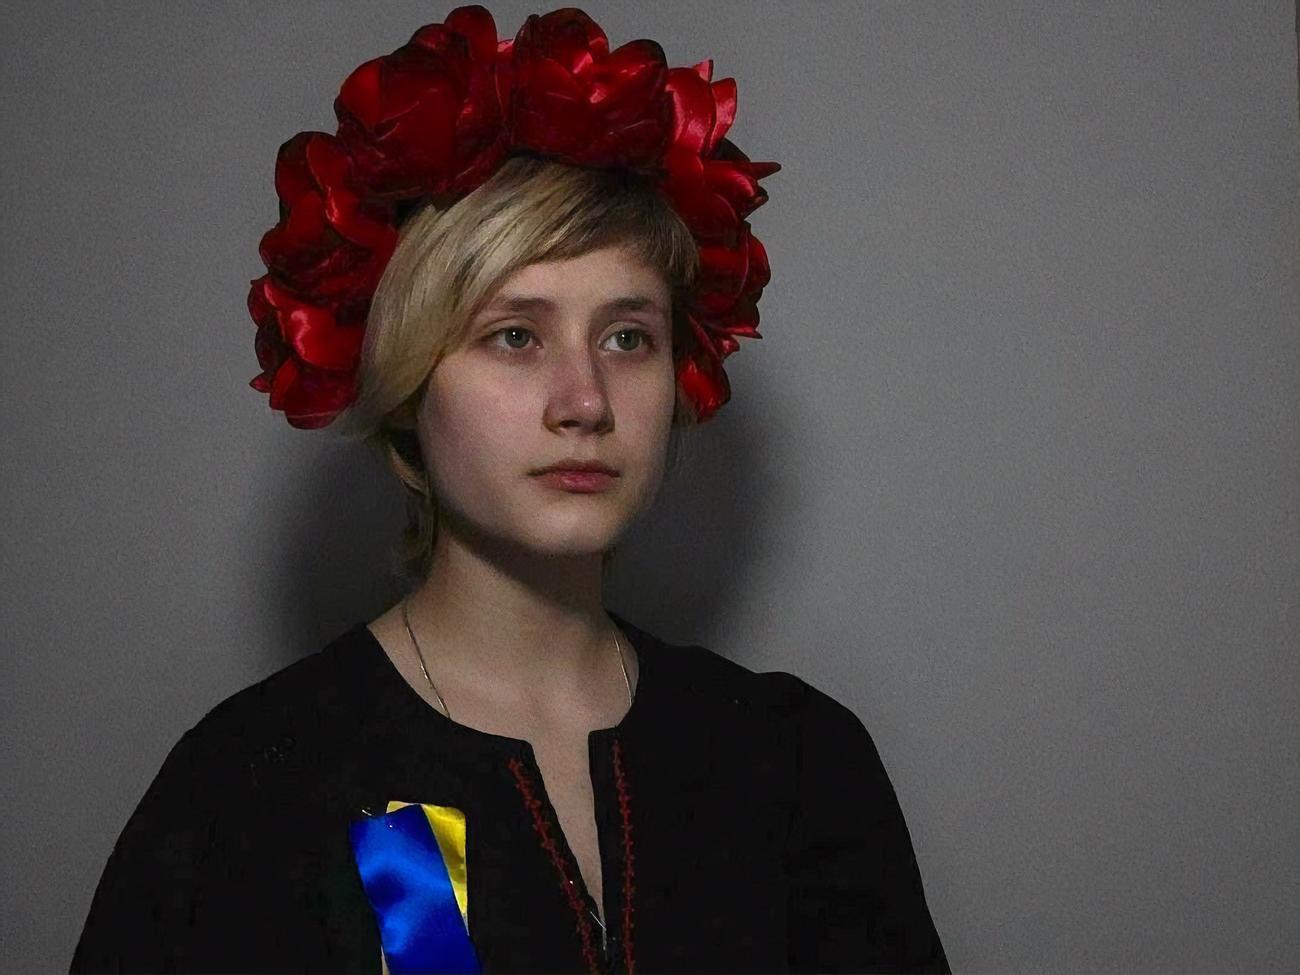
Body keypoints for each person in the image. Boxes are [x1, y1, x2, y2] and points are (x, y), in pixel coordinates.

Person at [70, 6, 949, 974]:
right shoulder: (255, 788)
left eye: (628, 338)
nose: (586, 401)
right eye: (514, 336)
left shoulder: (794, 769)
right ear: (408, 380)